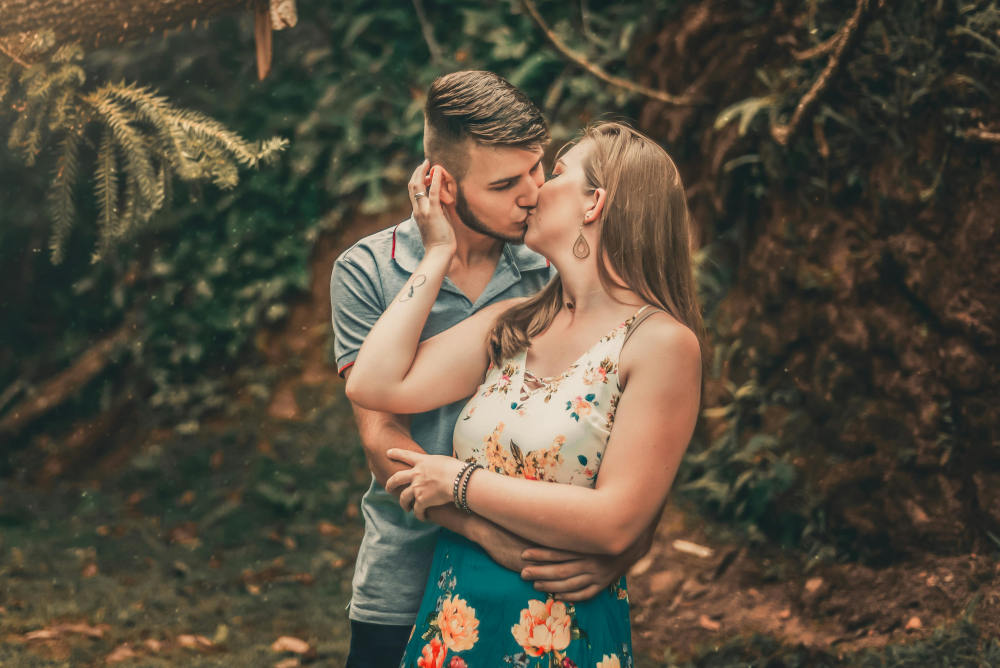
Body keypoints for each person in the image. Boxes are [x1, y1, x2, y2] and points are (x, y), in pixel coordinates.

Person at [346, 120, 704, 666]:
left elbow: (616, 521)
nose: (535, 189)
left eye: (555, 173)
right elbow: (373, 384)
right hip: (455, 616)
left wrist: (459, 481)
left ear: (594, 203)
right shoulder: (514, 322)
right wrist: (438, 251)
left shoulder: (660, 344)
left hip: (558, 630)